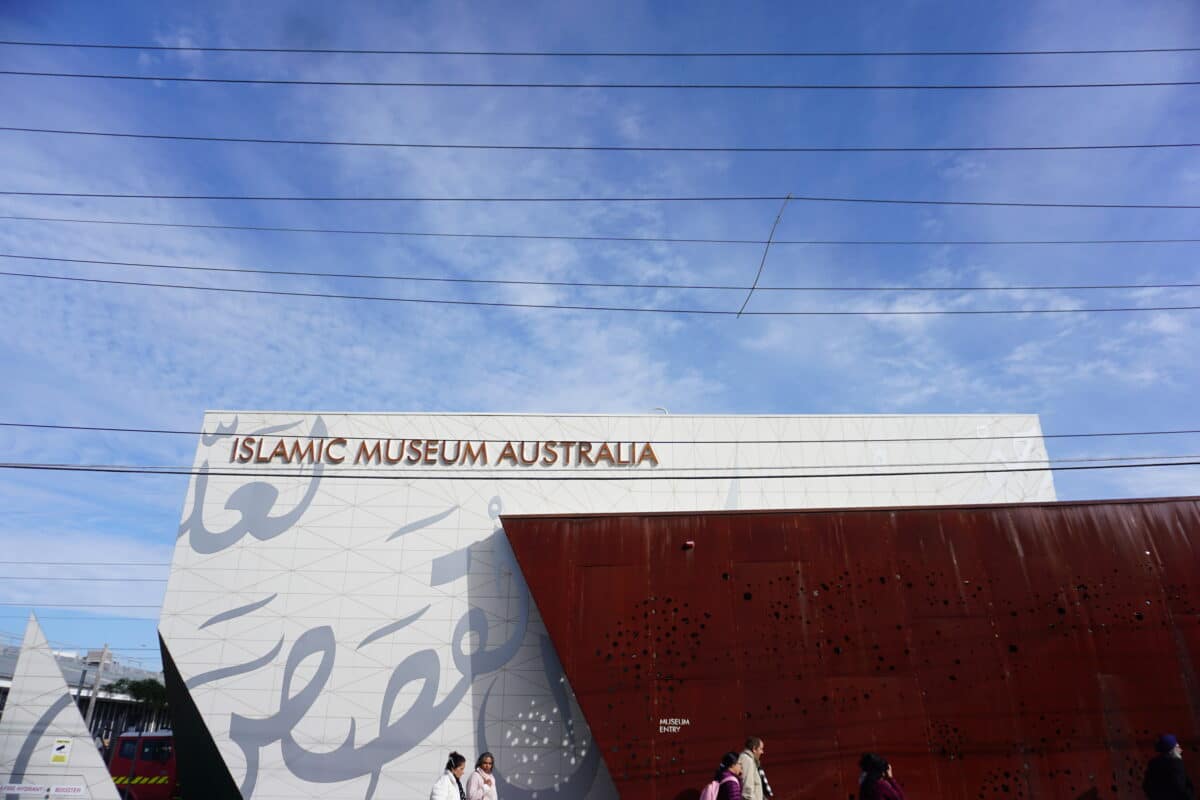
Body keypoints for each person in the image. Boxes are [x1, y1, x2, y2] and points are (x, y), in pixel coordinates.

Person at [1143, 734, 1195, 800]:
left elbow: (1146, 786)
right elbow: (1180, 788)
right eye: (1177, 747)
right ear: (1171, 750)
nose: (1181, 750)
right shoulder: (1175, 763)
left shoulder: (1153, 764)